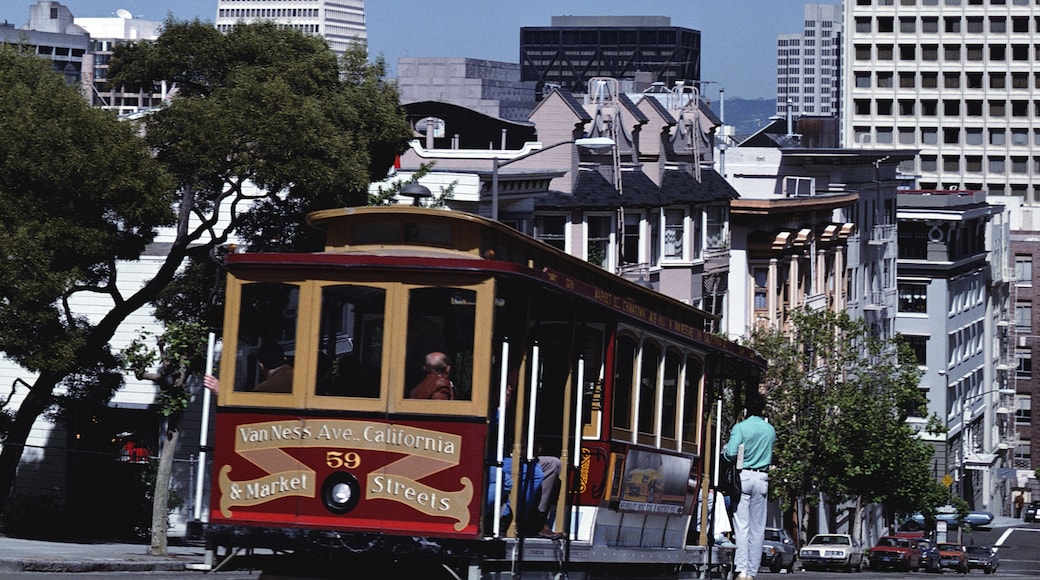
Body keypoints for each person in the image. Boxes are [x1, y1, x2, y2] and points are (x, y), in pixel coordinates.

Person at [724, 390, 776, 580]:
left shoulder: (741, 427)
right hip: (762, 478)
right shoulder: (770, 430)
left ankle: (742, 569)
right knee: (758, 528)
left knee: (742, 525)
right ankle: (753, 571)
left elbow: (730, 453)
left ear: (746, 408)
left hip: (743, 477)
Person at [203, 342, 293, 394]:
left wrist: (220, 392)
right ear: (285, 359)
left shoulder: (263, 390)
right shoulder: (301, 381)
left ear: (261, 365)